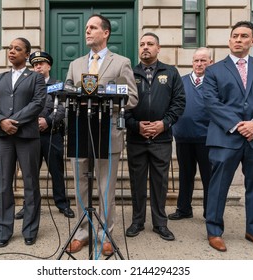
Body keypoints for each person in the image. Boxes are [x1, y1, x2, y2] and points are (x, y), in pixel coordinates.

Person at [202, 21, 253, 253]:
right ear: (229, 40)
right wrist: (238, 125)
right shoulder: (214, 70)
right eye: (234, 36)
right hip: (225, 138)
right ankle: (214, 231)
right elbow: (211, 102)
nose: (238, 39)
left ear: (252, 41)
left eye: (244, 36)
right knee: (218, 187)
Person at [65, 14, 138, 256]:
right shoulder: (75, 64)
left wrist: (108, 100)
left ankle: (106, 233)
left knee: (106, 187)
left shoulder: (121, 62)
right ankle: (82, 232)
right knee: (80, 186)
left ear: (105, 33)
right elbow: (66, 93)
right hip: (80, 132)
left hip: (107, 133)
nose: (87, 31)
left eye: (93, 27)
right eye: (86, 27)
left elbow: (133, 98)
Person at [125, 32, 186, 241]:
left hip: (162, 139)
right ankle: (137, 221)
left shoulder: (171, 72)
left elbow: (179, 102)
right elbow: (122, 107)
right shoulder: (129, 73)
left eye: (150, 44)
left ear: (158, 48)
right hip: (136, 139)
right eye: (141, 44)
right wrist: (135, 126)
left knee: (160, 184)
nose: (145, 47)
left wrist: (164, 124)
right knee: (137, 182)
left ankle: (160, 224)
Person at [0, 37, 46, 248]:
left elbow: (38, 103)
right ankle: (4, 229)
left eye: (17, 49)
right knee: (3, 184)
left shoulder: (35, 78)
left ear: (27, 54)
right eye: (10, 48)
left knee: (30, 183)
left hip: (27, 137)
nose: (11, 51)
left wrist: (15, 121)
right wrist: (1, 121)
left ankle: (30, 229)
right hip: (3, 138)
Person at [14, 51, 75, 220]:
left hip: (52, 135)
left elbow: (63, 108)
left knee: (57, 171)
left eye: (41, 64)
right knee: (30, 173)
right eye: (35, 65)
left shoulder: (58, 85)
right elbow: (20, 107)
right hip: (30, 136)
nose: (38, 67)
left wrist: (48, 121)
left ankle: (62, 204)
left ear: (49, 66)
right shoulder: (27, 85)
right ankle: (28, 205)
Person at [168, 47, 213, 221]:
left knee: (208, 177)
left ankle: (210, 212)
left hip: (207, 139)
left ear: (211, 62)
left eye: (203, 60)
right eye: (196, 60)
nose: (199, 64)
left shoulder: (215, 82)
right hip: (183, 137)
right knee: (185, 175)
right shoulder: (181, 81)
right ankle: (184, 209)